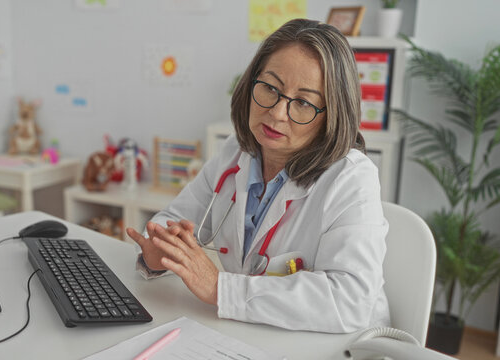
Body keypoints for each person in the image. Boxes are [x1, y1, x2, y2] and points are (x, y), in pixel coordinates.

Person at [126, 18, 390, 333]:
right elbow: (173, 221)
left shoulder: (351, 178)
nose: (277, 113)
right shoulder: (236, 152)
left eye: (303, 103)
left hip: (336, 345)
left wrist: (220, 289)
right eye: (269, 88)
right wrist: (160, 254)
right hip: (255, 333)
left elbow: (350, 301)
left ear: (331, 115)